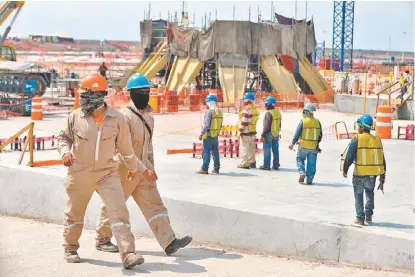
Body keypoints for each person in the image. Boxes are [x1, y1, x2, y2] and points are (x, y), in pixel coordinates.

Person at [96, 73, 193, 255]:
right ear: (131, 94)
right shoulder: (124, 117)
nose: (145, 94)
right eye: (141, 91)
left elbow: (148, 147)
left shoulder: (149, 117)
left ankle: (169, 241)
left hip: (144, 171)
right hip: (125, 170)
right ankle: (102, 239)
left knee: (155, 205)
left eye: (147, 90)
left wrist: (152, 169)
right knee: (113, 205)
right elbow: (125, 150)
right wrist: (141, 168)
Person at [58, 73, 144, 269]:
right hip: (79, 173)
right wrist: (65, 152)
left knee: (119, 211)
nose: (81, 98)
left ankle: (128, 253)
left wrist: (132, 168)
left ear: (96, 95)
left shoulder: (117, 118)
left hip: (107, 173)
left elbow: (126, 148)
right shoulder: (75, 117)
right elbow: (63, 138)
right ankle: (70, 248)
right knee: (74, 213)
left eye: (85, 94)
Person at [341, 114, 386, 226]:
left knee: (359, 195)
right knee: (370, 193)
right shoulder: (377, 140)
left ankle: (360, 218)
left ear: (361, 126)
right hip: (373, 174)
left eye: (358, 125)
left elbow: (350, 156)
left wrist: (345, 169)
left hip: (360, 173)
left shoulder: (357, 138)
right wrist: (382, 175)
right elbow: (382, 158)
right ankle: (369, 215)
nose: (357, 127)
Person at [289, 103, 322, 185]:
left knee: (299, 159)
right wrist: (316, 144)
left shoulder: (303, 122)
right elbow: (320, 135)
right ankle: (310, 179)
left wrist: (292, 143)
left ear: (306, 112)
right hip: (313, 148)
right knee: (312, 164)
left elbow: (297, 134)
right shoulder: (317, 122)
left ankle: (302, 172)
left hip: (303, 146)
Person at [196, 94, 223, 174]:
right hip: (215, 136)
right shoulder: (220, 112)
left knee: (206, 152)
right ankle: (216, 168)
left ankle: (204, 168)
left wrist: (201, 134)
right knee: (215, 152)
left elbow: (206, 125)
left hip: (208, 135)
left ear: (209, 102)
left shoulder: (209, 112)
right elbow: (220, 124)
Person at [237, 92, 259, 169]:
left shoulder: (246, 109)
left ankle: (245, 163)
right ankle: (252, 162)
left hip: (246, 132)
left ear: (246, 100)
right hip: (253, 131)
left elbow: (244, 121)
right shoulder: (255, 109)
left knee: (244, 148)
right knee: (251, 148)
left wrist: (241, 129)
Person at [260, 96, 281, 170]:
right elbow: (279, 124)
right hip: (276, 134)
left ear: (269, 105)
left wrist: (263, 135)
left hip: (269, 134)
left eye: (266, 104)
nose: (265, 106)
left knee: (267, 150)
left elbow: (267, 125)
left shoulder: (268, 113)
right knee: (275, 150)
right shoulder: (278, 113)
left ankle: (266, 165)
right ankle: (276, 165)